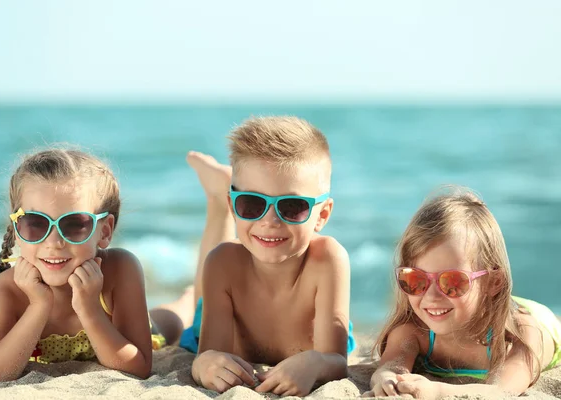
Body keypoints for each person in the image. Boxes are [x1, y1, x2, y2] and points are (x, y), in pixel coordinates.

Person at [0, 148, 190, 382]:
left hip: (139, 329)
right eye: (36, 223)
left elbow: (138, 368)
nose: (54, 243)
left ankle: (191, 294)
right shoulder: (7, 290)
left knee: (173, 321)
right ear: (17, 228)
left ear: (104, 231)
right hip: (2, 306)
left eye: (74, 224)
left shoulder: (120, 270)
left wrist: (89, 307)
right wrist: (38, 305)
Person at [188, 116, 355, 397]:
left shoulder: (328, 260)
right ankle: (217, 199)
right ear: (235, 205)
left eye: (291, 206)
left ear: (322, 215)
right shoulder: (223, 263)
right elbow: (205, 355)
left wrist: (315, 362)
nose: (270, 221)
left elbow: (336, 361)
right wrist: (204, 364)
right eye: (251, 203)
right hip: (219, 309)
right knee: (184, 310)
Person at [364, 187, 561, 399]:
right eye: (415, 280)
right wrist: (389, 382)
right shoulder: (413, 332)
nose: (431, 296)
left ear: (493, 282)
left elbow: (503, 391)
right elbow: (389, 369)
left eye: (452, 282)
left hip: (532, 318)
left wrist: (437, 391)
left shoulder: (519, 335)